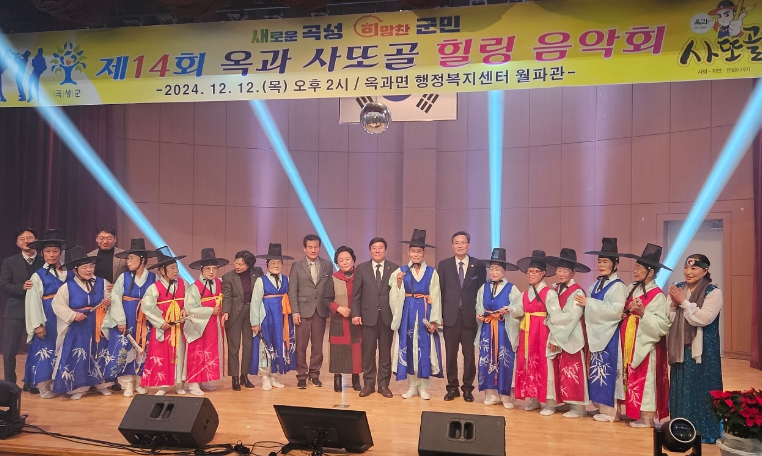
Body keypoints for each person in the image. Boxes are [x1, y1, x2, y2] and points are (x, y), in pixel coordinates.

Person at [667, 254, 723, 443]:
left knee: (701, 388)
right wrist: (673, 305)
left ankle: (705, 431)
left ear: (705, 270)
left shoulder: (713, 292)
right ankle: (680, 429)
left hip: (703, 349)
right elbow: (668, 317)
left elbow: (704, 318)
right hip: (680, 347)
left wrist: (683, 302)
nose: (688, 272)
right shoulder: (678, 288)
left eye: (694, 268)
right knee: (681, 387)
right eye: (686, 267)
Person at [618, 244, 672, 428]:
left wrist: (642, 313)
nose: (635, 271)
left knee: (646, 377)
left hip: (645, 343)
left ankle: (647, 417)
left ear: (651, 272)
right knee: (630, 375)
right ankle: (633, 412)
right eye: (635, 267)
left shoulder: (657, 295)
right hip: (629, 339)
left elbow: (662, 324)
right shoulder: (632, 288)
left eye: (639, 268)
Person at [50, 246, 113, 399]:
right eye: (84, 267)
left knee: (100, 352)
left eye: (91, 266)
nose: (88, 270)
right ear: (75, 270)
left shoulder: (102, 282)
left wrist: (108, 303)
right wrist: (73, 315)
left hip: (97, 324)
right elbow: (57, 305)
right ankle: (78, 388)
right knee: (78, 354)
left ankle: (102, 384)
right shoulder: (67, 287)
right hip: (77, 326)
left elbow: (112, 299)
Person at [390, 229, 443, 400]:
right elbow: (394, 293)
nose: (416, 254)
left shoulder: (432, 272)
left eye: (419, 251)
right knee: (409, 347)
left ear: (424, 253)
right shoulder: (401, 271)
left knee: (425, 348)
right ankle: (412, 385)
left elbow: (436, 296)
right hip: (408, 313)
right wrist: (399, 282)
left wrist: (434, 320)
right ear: (408, 252)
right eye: (413, 251)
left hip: (424, 312)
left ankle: (424, 387)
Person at [101, 238, 157, 397]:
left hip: (144, 319)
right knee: (122, 349)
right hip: (125, 319)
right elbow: (116, 299)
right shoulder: (123, 277)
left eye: (132, 258)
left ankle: (140, 382)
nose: (128, 262)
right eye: (128, 258)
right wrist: (120, 320)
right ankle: (126, 384)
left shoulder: (153, 278)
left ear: (142, 260)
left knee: (143, 349)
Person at [582, 238, 629, 423]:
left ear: (615, 264)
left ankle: (611, 412)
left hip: (610, 335)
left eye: (605, 262)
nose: (601, 265)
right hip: (597, 333)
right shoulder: (595, 285)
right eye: (599, 261)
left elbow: (616, 311)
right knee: (597, 371)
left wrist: (589, 303)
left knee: (608, 371)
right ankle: (601, 407)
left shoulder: (618, 286)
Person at [23, 229, 72, 398]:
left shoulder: (69, 272)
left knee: (65, 348)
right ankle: (44, 388)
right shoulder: (37, 276)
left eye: (55, 251)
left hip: (66, 317)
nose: (52, 255)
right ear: (42, 254)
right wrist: (37, 324)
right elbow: (32, 302)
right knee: (46, 349)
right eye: (48, 251)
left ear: (60, 252)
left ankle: (63, 384)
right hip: (48, 317)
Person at [439, 231, 486, 402]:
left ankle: (467, 388)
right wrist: (439, 316)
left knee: (469, 355)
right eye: (456, 243)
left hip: (469, 317)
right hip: (450, 317)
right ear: (452, 245)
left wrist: (481, 312)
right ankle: (452, 388)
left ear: (469, 245)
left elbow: (481, 291)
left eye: (463, 242)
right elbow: (440, 291)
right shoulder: (444, 265)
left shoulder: (478, 265)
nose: (460, 245)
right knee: (450, 355)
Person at [511, 250, 560, 416]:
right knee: (528, 363)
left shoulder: (550, 293)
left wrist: (554, 339)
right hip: (528, 333)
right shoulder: (525, 294)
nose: (531, 274)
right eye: (529, 271)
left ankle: (550, 402)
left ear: (543, 273)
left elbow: (555, 318)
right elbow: (520, 310)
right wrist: (510, 309)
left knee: (545, 365)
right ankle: (534, 398)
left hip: (543, 333)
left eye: (535, 271)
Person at [546, 248, 591, 419]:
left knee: (573, 370)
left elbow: (571, 317)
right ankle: (566, 401)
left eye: (565, 270)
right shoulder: (556, 289)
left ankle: (578, 408)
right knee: (561, 370)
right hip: (559, 335)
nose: (561, 273)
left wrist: (556, 338)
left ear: (573, 273)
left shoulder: (577, 291)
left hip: (571, 336)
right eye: (559, 270)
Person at [351, 237, 398, 398]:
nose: (377, 251)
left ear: (386, 250)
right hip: (367, 317)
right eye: (374, 248)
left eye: (380, 248)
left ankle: (383, 385)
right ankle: (369, 384)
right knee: (368, 353)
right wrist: (356, 313)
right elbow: (356, 294)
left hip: (386, 317)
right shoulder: (362, 268)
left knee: (385, 353)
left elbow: (398, 293)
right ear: (370, 250)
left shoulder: (394, 268)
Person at [476, 248, 521, 409]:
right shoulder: (484, 287)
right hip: (488, 328)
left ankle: (505, 395)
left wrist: (510, 310)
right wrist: (480, 314)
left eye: (498, 269)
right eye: (492, 269)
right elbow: (479, 305)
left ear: (504, 271)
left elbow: (519, 308)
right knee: (486, 359)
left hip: (504, 330)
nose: (494, 272)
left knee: (504, 360)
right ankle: (491, 394)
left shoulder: (512, 289)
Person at [288, 234, 335, 389]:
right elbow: (292, 291)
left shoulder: (327, 265)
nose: (313, 250)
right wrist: (295, 311)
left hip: (320, 311)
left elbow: (330, 288)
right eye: (310, 247)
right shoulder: (297, 265)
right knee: (301, 346)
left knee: (318, 347)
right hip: (302, 311)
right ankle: (301, 375)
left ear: (319, 248)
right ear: (304, 248)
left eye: (316, 247)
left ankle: (314, 375)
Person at [140, 246, 188, 396]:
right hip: (163, 327)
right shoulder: (154, 287)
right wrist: (160, 322)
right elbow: (147, 307)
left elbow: (190, 300)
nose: (176, 271)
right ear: (162, 270)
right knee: (161, 354)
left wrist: (185, 308)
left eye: (176, 267)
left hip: (179, 327)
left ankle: (179, 384)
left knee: (179, 353)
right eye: (172, 268)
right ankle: (162, 386)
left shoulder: (183, 284)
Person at [0, 227, 44, 392]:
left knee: (36, 349)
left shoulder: (44, 261)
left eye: (29, 237)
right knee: (9, 351)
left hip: (39, 311)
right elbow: (4, 284)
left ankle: (31, 382)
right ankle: (10, 386)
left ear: (36, 240)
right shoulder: (9, 262)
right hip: (15, 310)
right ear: (17, 243)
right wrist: (21, 287)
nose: (26, 241)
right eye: (22, 239)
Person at [250, 244, 296, 390]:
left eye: (278, 263)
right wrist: (255, 322)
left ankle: (275, 377)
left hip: (282, 318)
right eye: (273, 263)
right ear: (267, 264)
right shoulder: (261, 281)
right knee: (265, 346)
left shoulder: (286, 279)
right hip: (266, 318)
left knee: (279, 345)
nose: (276, 265)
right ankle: (265, 377)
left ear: (282, 264)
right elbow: (255, 302)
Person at [184, 248, 228, 396]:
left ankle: (205, 379)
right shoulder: (194, 287)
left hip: (215, 324)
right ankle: (193, 384)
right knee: (197, 352)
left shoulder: (220, 283)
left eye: (214, 268)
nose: (211, 272)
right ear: (201, 269)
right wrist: (210, 311)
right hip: (199, 325)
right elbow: (190, 308)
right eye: (208, 269)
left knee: (211, 351)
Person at [221, 250, 263, 391]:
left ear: (249, 265)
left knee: (248, 346)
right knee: (234, 347)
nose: (237, 266)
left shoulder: (257, 272)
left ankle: (244, 376)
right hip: (234, 314)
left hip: (251, 313)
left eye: (241, 264)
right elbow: (227, 297)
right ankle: (234, 377)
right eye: (236, 263)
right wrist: (226, 312)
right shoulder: (228, 277)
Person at [328, 246, 362, 392]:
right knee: (338, 351)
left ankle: (356, 378)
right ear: (337, 263)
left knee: (356, 349)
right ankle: (337, 378)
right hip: (339, 321)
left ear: (353, 260)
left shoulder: (360, 276)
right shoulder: (333, 278)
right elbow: (326, 299)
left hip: (357, 320)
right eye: (341, 260)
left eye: (347, 259)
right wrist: (338, 308)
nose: (345, 262)